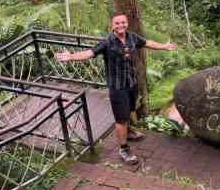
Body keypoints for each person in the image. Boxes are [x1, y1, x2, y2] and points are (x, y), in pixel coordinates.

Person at [56, 12, 178, 165]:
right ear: (112, 26)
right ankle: (123, 148)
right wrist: (71, 56)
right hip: (117, 87)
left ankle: (129, 131)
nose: (121, 25)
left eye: (123, 22)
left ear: (126, 23)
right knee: (120, 119)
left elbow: (147, 43)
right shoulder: (107, 42)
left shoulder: (132, 37)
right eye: (117, 23)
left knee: (131, 109)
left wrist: (164, 47)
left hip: (131, 83)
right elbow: (90, 53)